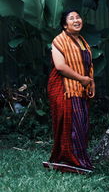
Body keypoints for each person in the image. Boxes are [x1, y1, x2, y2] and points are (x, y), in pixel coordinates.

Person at [43, 10, 95, 174]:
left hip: (80, 89)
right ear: (65, 25)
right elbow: (60, 66)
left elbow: (88, 65)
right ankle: (68, 160)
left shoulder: (82, 41)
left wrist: (90, 82)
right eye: (71, 18)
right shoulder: (59, 40)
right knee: (68, 123)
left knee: (80, 124)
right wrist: (82, 79)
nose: (76, 20)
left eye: (78, 17)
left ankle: (78, 160)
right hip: (63, 88)